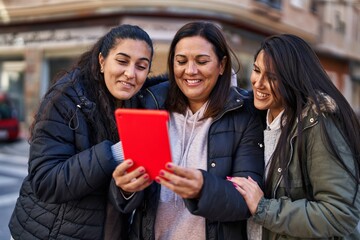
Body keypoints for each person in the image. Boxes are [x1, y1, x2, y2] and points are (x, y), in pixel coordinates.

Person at [109, 21, 265, 240]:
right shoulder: (150, 103)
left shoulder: (245, 114)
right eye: (181, 61)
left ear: (221, 65)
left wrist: (202, 188)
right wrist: (125, 189)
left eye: (202, 61)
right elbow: (129, 199)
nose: (190, 71)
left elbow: (246, 202)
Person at [8, 24, 159, 240]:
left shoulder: (138, 101)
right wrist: (114, 154)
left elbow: (173, 83)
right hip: (49, 233)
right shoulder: (66, 99)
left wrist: (127, 189)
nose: (130, 73)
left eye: (141, 66)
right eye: (122, 61)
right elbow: (45, 182)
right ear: (102, 61)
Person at [229, 34, 360, 239]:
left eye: (272, 77)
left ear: (292, 79)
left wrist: (264, 209)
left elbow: (340, 214)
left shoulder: (318, 124)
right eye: (256, 70)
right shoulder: (254, 117)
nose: (258, 83)